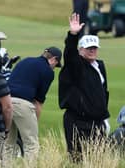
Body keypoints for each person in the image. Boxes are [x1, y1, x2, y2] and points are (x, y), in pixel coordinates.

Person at [58, 13, 110, 161]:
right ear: (80, 50)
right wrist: (73, 35)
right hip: (77, 121)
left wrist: (104, 116)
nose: (92, 50)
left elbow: (103, 92)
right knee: (77, 159)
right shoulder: (75, 66)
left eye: (94, 47)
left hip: (97, 122)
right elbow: (69, 54)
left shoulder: (99, 65)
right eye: (88, 48)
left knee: (98, 159)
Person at [6, 46, 62, 162]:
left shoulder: (25, 61)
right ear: (54, 60)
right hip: (23, 105)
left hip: (6, 103)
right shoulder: (48, 72)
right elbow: (38, 101)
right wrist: (34, 121)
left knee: (8, 144)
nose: (54, 67)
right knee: (31, 145)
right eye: (56, 64)